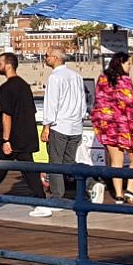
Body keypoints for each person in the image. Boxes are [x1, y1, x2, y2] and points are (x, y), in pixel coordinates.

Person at [0, 53, 52, 216]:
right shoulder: (24, 86)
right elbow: (30, 112)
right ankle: (41, 203)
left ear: (8, 65)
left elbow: (7, 115)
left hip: (11, 137)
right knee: (29, 172)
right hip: (26, 136)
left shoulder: (6, 88)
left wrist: (6, 140)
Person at [89, 51, 133, 203]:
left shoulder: (102, 79)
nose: (130, 67)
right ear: (121, 63)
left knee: (116, 161)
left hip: (108, 126)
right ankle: (130, 189)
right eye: (128, 63)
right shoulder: (125, 80)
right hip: (126, 126)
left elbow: (99, 101)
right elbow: (130, 102)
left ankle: (118, 194)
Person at [40, 48, 88, 204]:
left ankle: (57, 196)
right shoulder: (77, 76)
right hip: (75, 126)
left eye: (47, 56)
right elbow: (83, 101)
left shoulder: (55, 78)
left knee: (55, 163)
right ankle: (88, 183)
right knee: (69, 162)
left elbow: (51, 103)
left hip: (59, 126)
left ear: (55, 58)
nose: (45, 58)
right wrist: (80, 118)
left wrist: (46, 126)